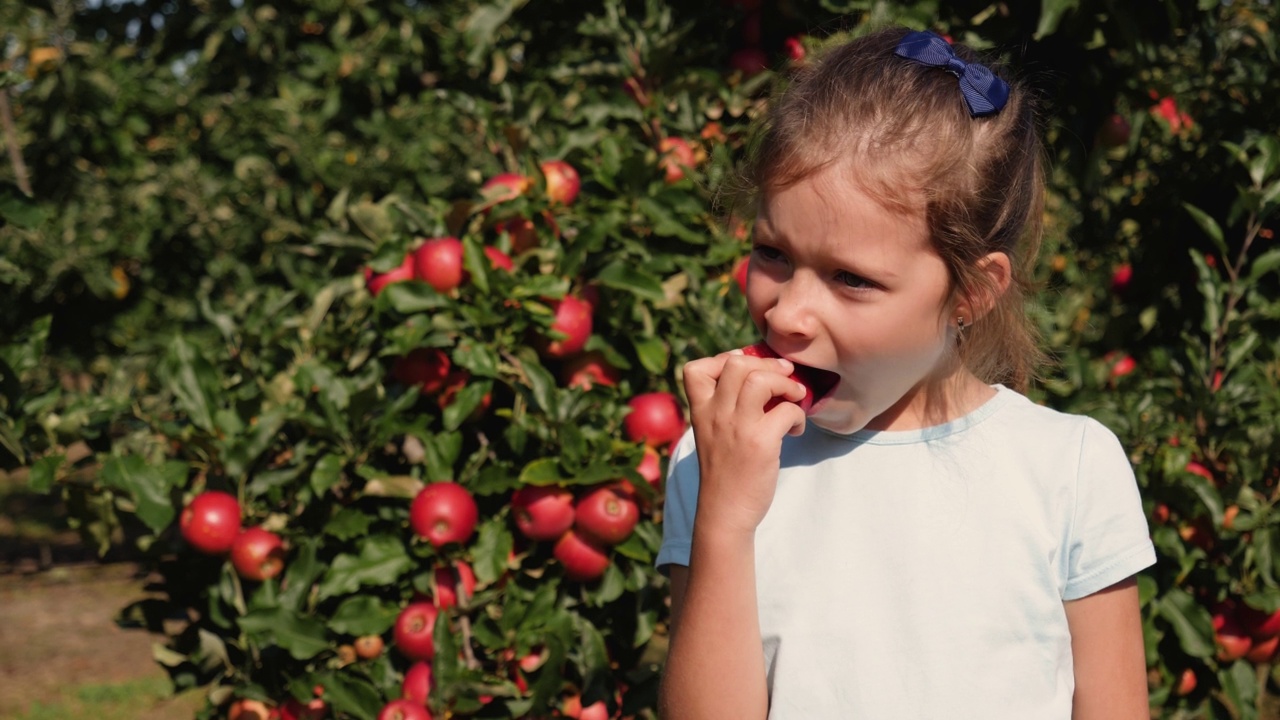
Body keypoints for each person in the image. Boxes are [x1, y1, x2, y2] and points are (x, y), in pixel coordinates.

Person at [656, 26, 1156, 719]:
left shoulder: (1066, 469)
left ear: (971, 293)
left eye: (851, 279)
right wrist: (726, 522)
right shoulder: (719, 460)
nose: (789, 313)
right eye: (773, 253)